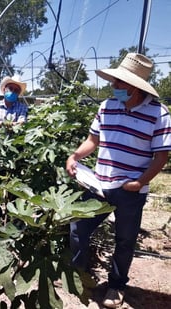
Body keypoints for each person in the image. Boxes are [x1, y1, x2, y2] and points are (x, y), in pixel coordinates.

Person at [65, 53, 171, 308]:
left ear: (134, 86)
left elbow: (161, 156)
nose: (114, 87)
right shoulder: (106, 107)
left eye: (119, 83)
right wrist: (75, 156)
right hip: (99, 184)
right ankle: (79, 277)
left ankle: (116, 285)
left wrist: (139, 182)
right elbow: (94, 141)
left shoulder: (158, 113)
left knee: (125, 240)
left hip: (130, 189)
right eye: (114, 82)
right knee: (78, 229)